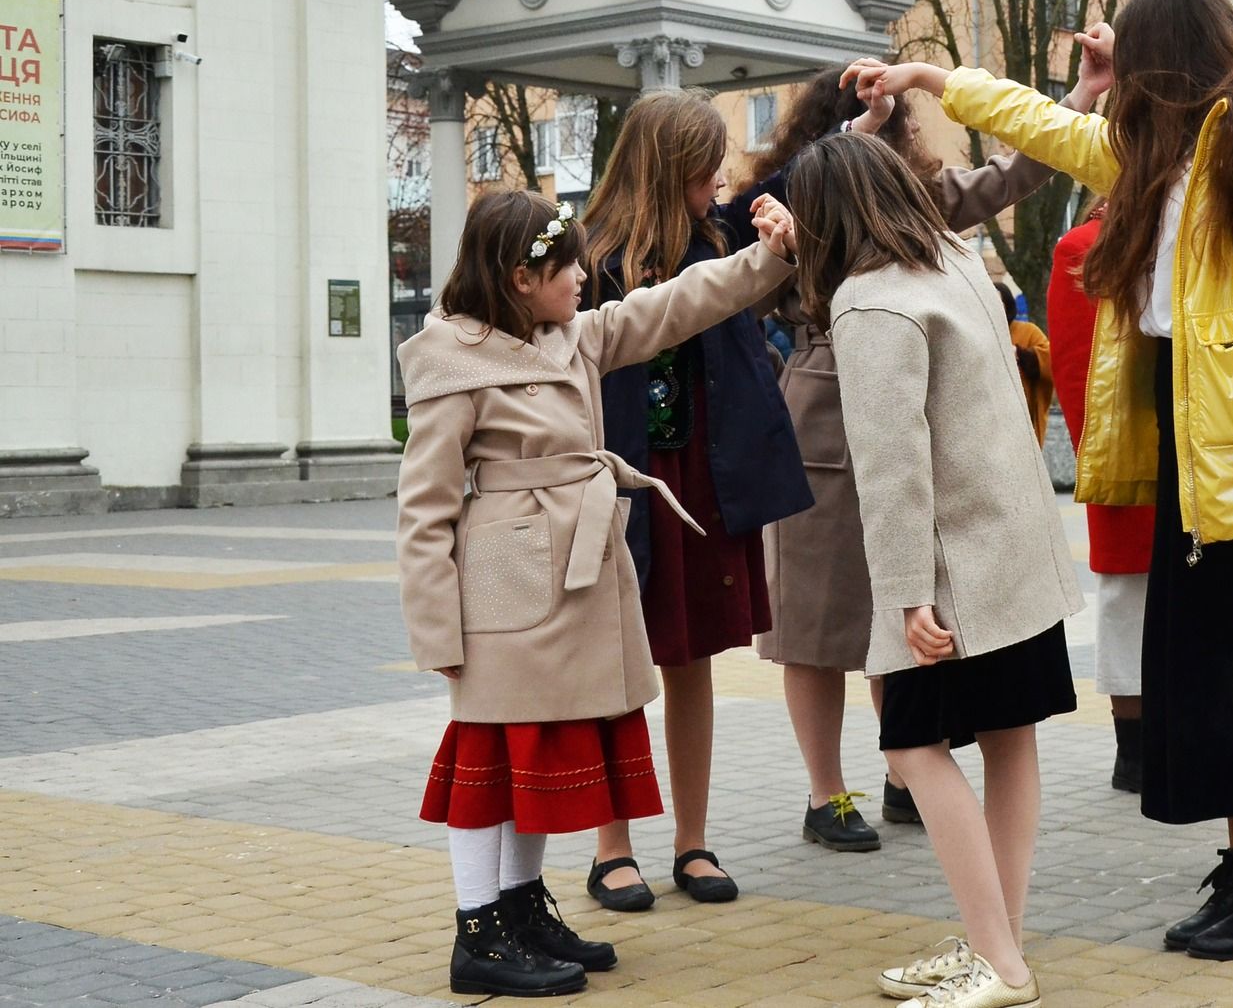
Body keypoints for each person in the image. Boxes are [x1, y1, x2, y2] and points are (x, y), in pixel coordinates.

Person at [845, 0, 1233, 962]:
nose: (1116, 74)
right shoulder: (1171, 144)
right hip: (1193, 438)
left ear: (1168, 53)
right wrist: (931, 76)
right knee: (1219, 674)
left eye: (1129, 55)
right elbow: (1050, 130)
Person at [396, 188, 796, 996]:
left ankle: (519, 906)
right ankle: (477, 931)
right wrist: (437, 635)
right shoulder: (448, 358)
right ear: (519, 276)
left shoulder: (572, 335)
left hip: (575, 574)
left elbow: (679, 304)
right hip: (506, 587)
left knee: (539, 754)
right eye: (566, 264)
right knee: (493, 756)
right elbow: (424, 508)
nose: (584, 276)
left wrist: (770, 257)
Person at [788, 132, 1083, 1008]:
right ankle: (1002, 944)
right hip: (1016, 550)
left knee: (914, 746)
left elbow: (893, 461)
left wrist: (908, 592)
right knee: (1009, 739)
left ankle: (999, 963)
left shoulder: (868, 301)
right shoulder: (955, 258)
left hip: (952, 569)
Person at [745, 67, 1071, 852]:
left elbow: (1012, 172)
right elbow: (769, 253)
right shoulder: (786, 202)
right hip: (823, 421)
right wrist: (854, 134)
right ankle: (829, 793)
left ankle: (906, 771)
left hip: (908, 414)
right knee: (815, 621)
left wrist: (1080, 103)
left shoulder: (914, 201)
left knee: (901, 606)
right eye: (861, 120)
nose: (884, 129)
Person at [577, 89, 813, 911]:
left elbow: (800, 170)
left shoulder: (717, 235)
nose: (719, 174)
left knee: (693, 660)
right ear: (667, 162)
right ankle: (613, 848)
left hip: (703, 481)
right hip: (619, 483)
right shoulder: (587, 257)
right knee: (617, 663)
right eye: (705, 160)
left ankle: (693, 842)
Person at [1048, 205, 1155, 793]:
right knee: (1127, 600)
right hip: (1127, 450)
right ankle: (1134, 751)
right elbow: (1074, 365)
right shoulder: (1084, 246)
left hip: (1204, 450)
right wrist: (1104, 455)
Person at [999, 283, 1055, 445]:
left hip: (1022, 419)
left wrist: (1019, 353)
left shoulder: (1029, 332)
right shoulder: (979, 333)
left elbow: (1050, 360)